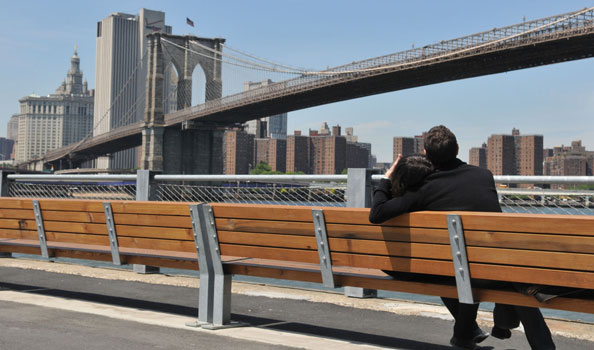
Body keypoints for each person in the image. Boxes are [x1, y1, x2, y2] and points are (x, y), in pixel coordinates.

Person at [369, 125, 555, 350]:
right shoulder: (484, 176)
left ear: (426, 154)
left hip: (451, 270)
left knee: (452, 270)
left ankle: (467, 333)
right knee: (512, 281)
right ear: (457, 148)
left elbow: (377, 213)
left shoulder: (423, 187)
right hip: (493, 269)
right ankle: (513, 334)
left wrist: (387, 178)